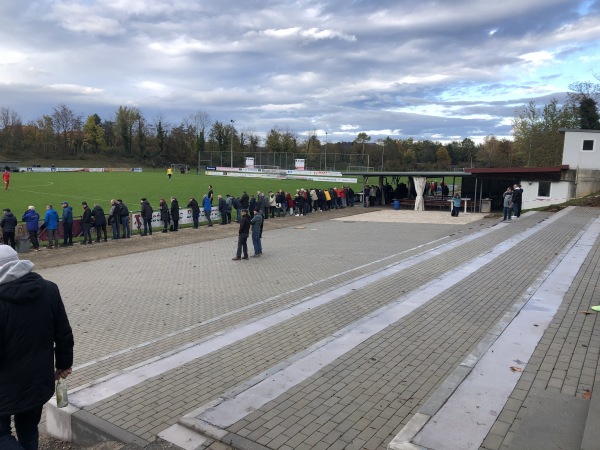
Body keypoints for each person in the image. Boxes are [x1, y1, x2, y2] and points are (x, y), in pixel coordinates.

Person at [0, 245, 74, 450]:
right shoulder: (49, 289)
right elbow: (64, 333)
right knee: (29, 430)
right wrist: (64, 364)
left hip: (5, 385)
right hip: (37, 380)